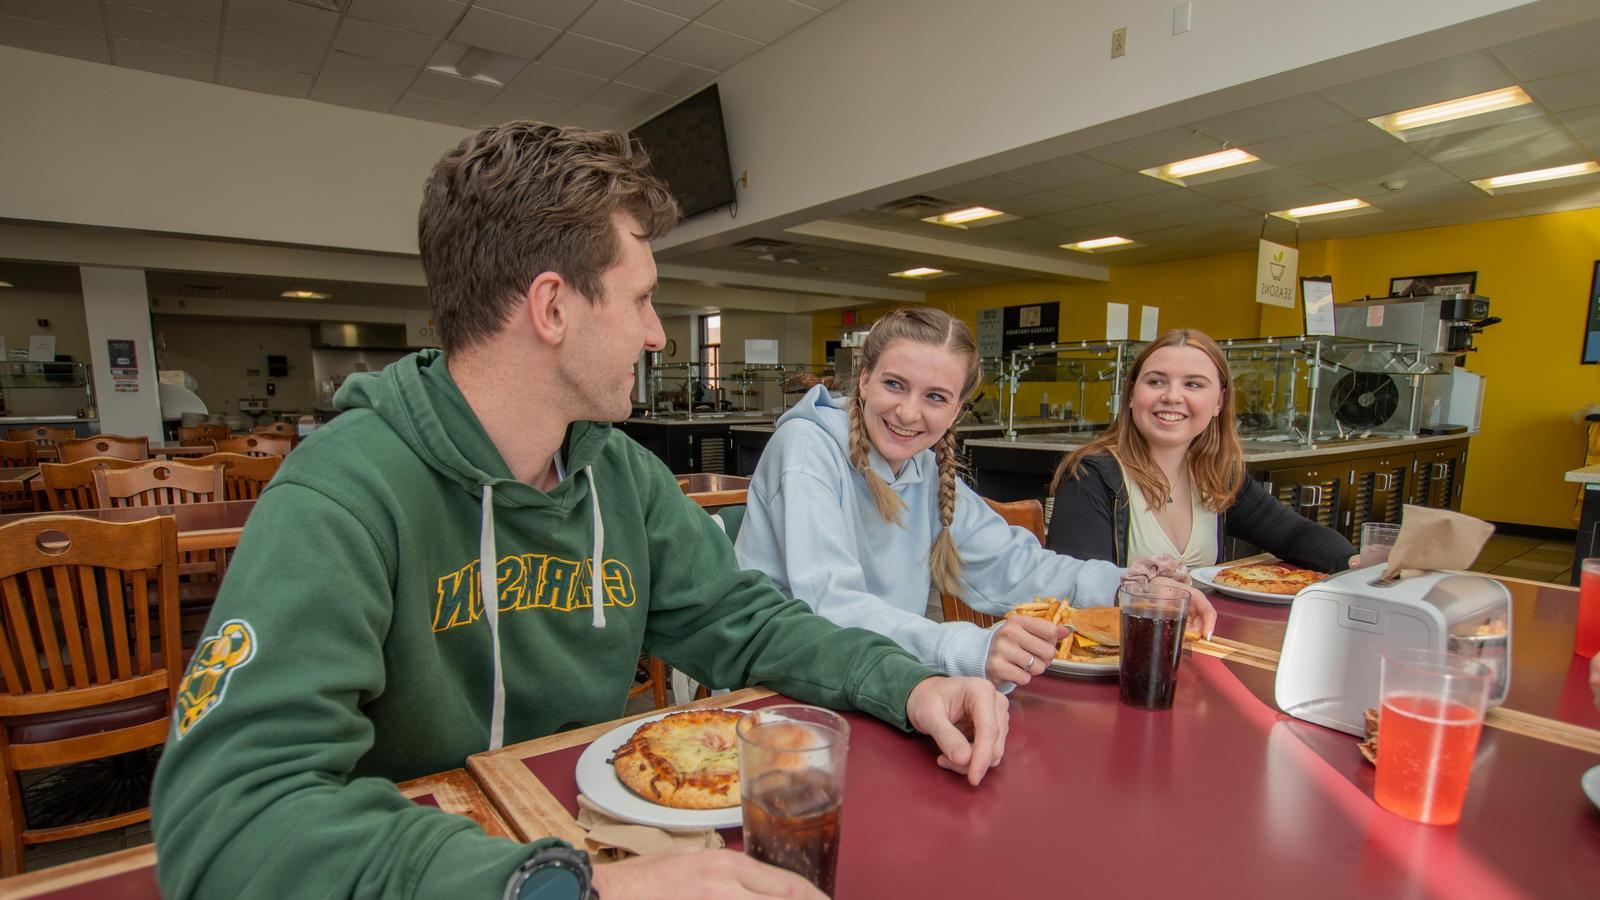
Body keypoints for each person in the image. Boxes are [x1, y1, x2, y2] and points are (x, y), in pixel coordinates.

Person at [151, 123, 1009, 900]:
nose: (657, 336)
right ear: (553, 307)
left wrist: (909, 682)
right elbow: (227, 820)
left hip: (596, 842)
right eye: (640, 300)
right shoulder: (339, 495)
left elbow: (747, 622)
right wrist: (567, 891)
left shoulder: (622, 476)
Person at [734, 307, 1215, 688]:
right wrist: (966, 647)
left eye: (936, 397)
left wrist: (1125, 588)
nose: (908, 411)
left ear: (958, 408)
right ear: (863, 380)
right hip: (778, 684)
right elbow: (828, 605)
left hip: (878, 673)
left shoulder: (923, 466)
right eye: (894, 384)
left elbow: (1012, 564)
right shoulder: (806, 448)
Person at [1046, 328, 1359, 573]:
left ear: (1219, 403)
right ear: (1130, 395)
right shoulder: (1090, 476)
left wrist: (1359, 564)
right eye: (1156, 381)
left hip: (1198, 640)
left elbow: (1293, 535)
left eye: (1193, 385)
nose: (1172, 396)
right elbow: (1081, 599)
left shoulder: (1216, 474)